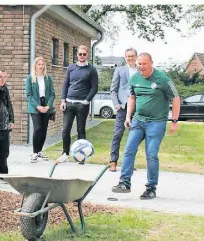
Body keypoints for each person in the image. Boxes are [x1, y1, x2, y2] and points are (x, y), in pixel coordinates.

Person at [111, 53, 181, 200]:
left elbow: (175, 97)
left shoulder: (162, 78)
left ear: (151, 63)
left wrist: (174, 120)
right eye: (139, 64)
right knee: (129, 150)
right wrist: (128, 116)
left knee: (151, 155)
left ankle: (151, 188)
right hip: (137, 121)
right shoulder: (135, 78)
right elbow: (132, 97)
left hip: (156, 123)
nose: (141, 67)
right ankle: (124, 183)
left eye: (144, 64)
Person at [57, 45, 98, 164]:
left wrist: (86, 100)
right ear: (77, 55)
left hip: (82, 104)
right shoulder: (71, 68)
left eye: (84, 54)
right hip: (69, 103)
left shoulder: (91, 69)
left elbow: (94, 88)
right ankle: (65, 154)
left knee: (81, 129)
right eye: (80, 54)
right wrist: (63, 100)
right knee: (65, 129)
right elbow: (65, 84)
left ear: (87, 55)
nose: (81, 56)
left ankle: (82, 156)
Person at [108, 48, 138, 172]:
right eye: (127, 56)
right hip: (123, 107)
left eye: (132, 56)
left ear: (136, 56)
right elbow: (113, 89)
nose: (130, 58)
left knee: (134, 136)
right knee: (118, 134)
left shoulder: (140, 70)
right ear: (125, 57)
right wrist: (117, 104)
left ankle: (129, 163)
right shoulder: (120, 70)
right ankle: (113, 161)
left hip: (137, 107)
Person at [25, 56, 54, 163]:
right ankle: (34, 152)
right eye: (39, 64)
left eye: (42, 64)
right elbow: (28, 95)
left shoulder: (48, 78)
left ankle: (40, 151)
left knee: (44, 130)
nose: (41, 66)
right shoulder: (30, 78)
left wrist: (48, 106)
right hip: (35, 107)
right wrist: (38, 106)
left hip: (46, 106)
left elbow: (52, 94)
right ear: (35, 65)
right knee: (37, 129)